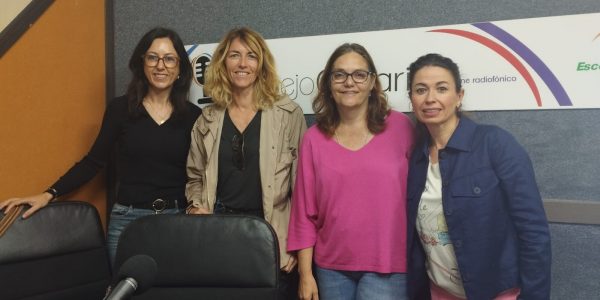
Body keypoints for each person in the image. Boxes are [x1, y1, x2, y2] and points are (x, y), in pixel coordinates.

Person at [0, 27, 201, 266]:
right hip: (128, 221)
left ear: (179, 69)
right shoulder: (120, 109)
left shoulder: (193, 116)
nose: (161, 66)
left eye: (169, 59)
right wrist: (48, 194)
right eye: (152, 57)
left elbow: (202, 172)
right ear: (142, 63)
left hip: (176, 220)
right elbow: (93, 162)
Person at [405, 53, 551, 300]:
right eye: (421, 90)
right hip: (438, 291)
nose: (430, 98)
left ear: (459, 96)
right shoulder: (415, 158)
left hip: (497, 292)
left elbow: (533, 231)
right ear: (411, 99)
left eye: (441, 88)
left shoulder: (495, 144)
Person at [185, 27, 307, 299]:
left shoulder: (288, 114)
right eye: (234, 56)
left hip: (271, 237)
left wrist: (295, 245)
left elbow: (303, 189)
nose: (243, 64)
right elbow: (194, 176)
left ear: (261, 64)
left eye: (251, 56)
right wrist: (195, 208)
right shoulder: (207, 119)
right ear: (222, 63)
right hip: (217, 236)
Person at [287, 43, 414, 300]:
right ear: (329, 84)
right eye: (340, 74)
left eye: (359, 74)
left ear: (372, 83)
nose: (349, 82)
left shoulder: (401, 127)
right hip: (331, 269)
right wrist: (305, 274)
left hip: (388, 266)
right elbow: (304, 212)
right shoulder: (313, 138)